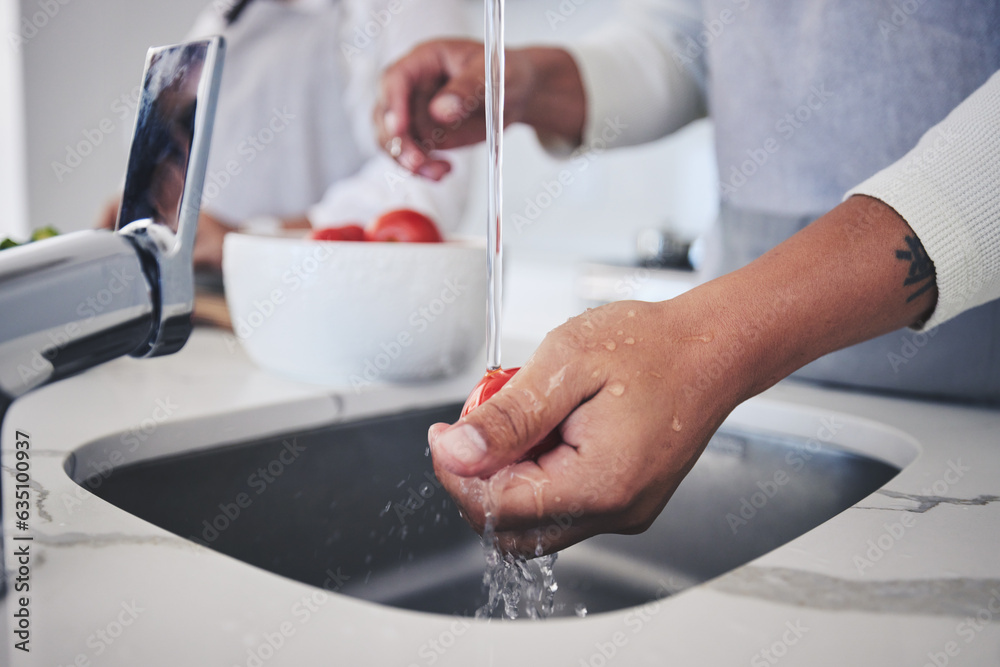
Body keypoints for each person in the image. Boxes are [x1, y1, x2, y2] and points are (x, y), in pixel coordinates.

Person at [373, 1, 1000, 555]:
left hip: (974, 407)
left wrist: (715, 338)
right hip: (757, 390)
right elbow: (702, 34)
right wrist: (535, 82)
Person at [104, 0, 473, 270]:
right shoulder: (223, 15)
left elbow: (430, 186)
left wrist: (249, 238)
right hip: (199, 302)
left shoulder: (408, 9)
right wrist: (141, 203)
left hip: (315, 298)